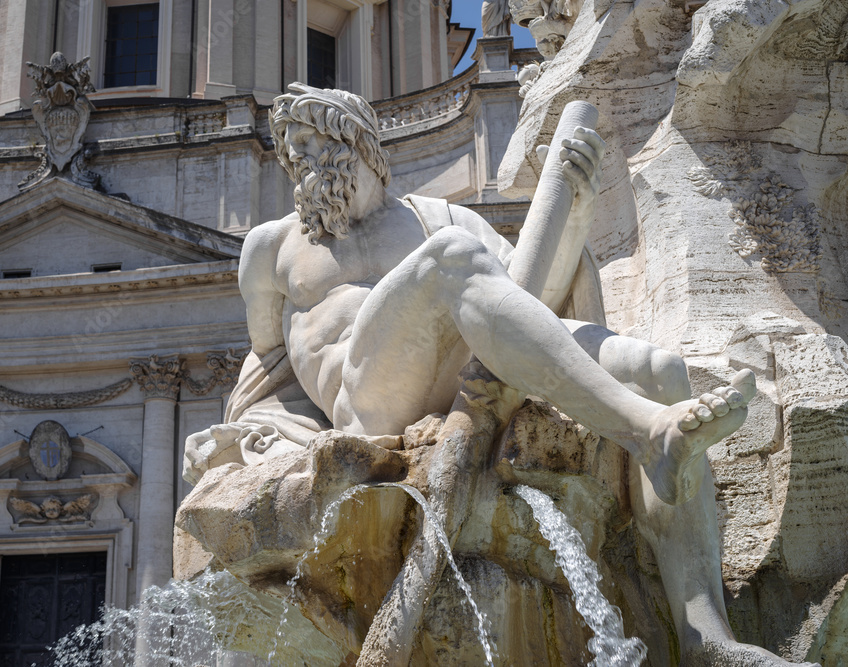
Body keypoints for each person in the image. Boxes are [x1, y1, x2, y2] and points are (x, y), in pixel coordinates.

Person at [185, 83, 814, 666]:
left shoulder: (436, 217)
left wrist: (575, 212)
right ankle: (648, 433)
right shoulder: (270, 247)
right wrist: (248, 436)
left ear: (360, 145)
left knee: (661, 369)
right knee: (454, 261)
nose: (302, 161)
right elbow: (265, 371)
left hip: (467, 372)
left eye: (317, 142)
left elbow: (527, 296)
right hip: (368, 400)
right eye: (293, 151)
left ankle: (706, 634)